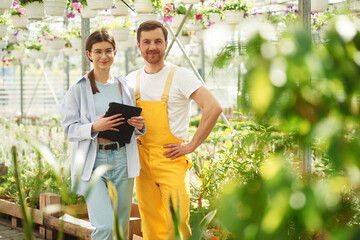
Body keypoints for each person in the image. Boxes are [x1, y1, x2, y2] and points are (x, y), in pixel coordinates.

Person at [126, 20, 222, 240]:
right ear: (138, 46)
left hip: (171, 157)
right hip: (142, 160)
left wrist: (191, 145)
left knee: (177, 223)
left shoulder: (180, 76)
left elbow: (214, 107)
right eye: (147, 42)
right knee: (150, 222)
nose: (153, 46)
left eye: (158, 41)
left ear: (166, 44)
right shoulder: (132, 80)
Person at [60, 30, 145, 240]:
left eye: (108, 50)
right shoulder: (78, 89)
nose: (104, 56)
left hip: (122, 158)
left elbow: (133, 126)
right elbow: (68, 129)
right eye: (98, 51)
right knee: (106, 227)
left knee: (121, 227)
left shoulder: (125, 86)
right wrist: (94, 126)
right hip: (93, 161)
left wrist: (139, 125)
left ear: (115, 52)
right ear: (89, 54)